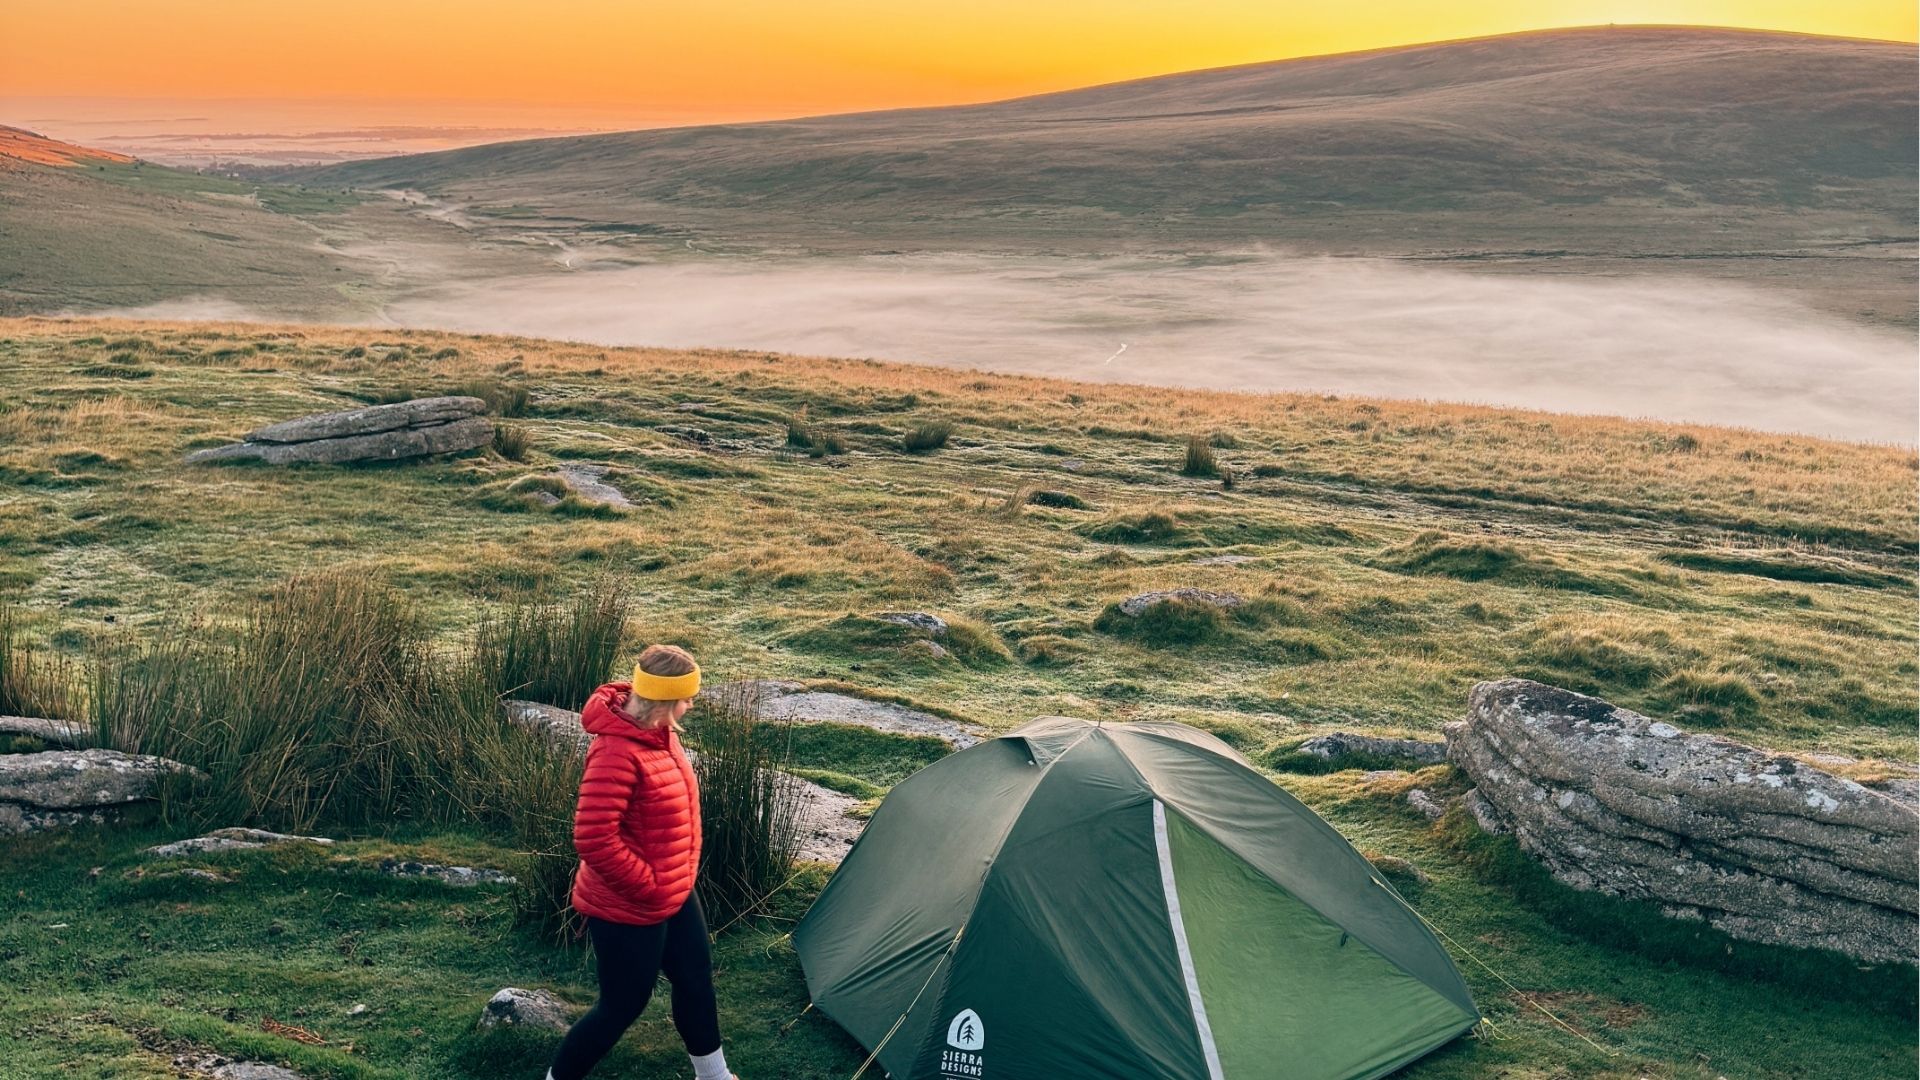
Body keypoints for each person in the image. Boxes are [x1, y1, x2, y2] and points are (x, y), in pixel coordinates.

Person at [546, 644, 739, 1080]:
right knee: (622, 1006)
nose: (691, 705)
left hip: (674, 890)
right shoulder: (615, 752)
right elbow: (593, 838)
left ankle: (714, 1075)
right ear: (666, 699)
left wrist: (670, 880)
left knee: (695, 979)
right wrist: (649, 885)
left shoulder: (660, 736)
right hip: (629, 904)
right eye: (687, 697)